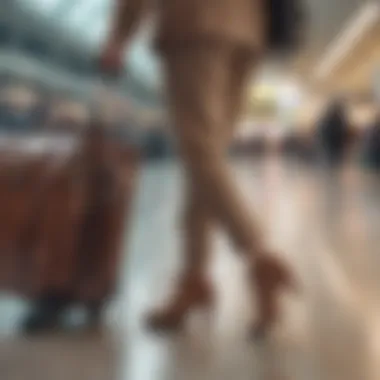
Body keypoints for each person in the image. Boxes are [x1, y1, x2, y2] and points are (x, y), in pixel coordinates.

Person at [100, 0, 296, 338]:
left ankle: (260, 258)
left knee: (200, 152)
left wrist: (119, 35)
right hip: (247, 29)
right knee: (206, 161)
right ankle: (194, 279)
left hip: (194, 20)